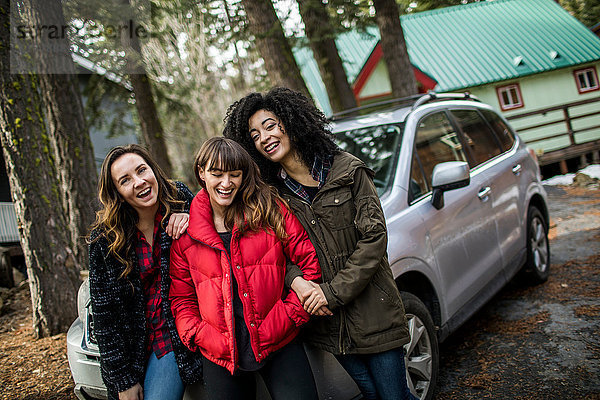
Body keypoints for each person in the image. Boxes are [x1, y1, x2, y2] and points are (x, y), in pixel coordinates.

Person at [223, 87, 417, 400]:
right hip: (327, 323)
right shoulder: (271, 197)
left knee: (394, 396)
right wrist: (297, 281)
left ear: (291, 122)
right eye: (254, 134)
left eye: (270, 125)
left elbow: (374, 238)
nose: (264, 137)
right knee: (371, 394)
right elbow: (273, 254)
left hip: (372, 310)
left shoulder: (347, 170)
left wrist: (330, 293)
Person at [168, 137, 322, 400]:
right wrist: (199, 334)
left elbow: (310, 265)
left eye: (234, 175)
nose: (226, 184)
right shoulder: (186, 234)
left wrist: (291, 314)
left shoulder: (269, 211)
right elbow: (181, 299)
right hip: (219, 355)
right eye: (217, 174)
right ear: (201, 173)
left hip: (280, 342)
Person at [88, 144, 202, 400]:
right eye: (125, 180)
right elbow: (105, 319)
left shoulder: (180, 198)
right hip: (139, 345)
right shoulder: (105, 240)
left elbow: (211, 238)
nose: (139, 182)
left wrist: (191, 217)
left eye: (142, 170)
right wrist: (123, 381)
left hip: (181, 330)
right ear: (116, 192)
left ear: (153, 170)